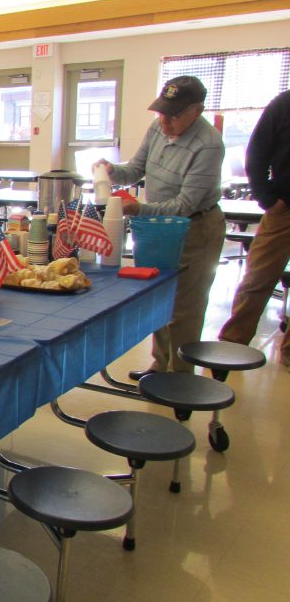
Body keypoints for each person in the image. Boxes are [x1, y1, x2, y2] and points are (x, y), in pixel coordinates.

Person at [95, 75, 226, 377]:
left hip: (195, 227)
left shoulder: (208, 145)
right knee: (158, 295)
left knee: (184, 308)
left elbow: (185, 205)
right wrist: (113, 171)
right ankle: (160, 364)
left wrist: (139, 209)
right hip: (158, 227)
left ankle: (180, 377)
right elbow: (135, 169)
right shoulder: (158, 127)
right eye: (161, 112)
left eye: (174, 115)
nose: (164, 122)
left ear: (197, 111)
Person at [218, 89, 290, 368]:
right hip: (283, 209)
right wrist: (267, 199)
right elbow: (257, 153)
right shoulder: (284, 104)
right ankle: (232, 345)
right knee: (257, 279)